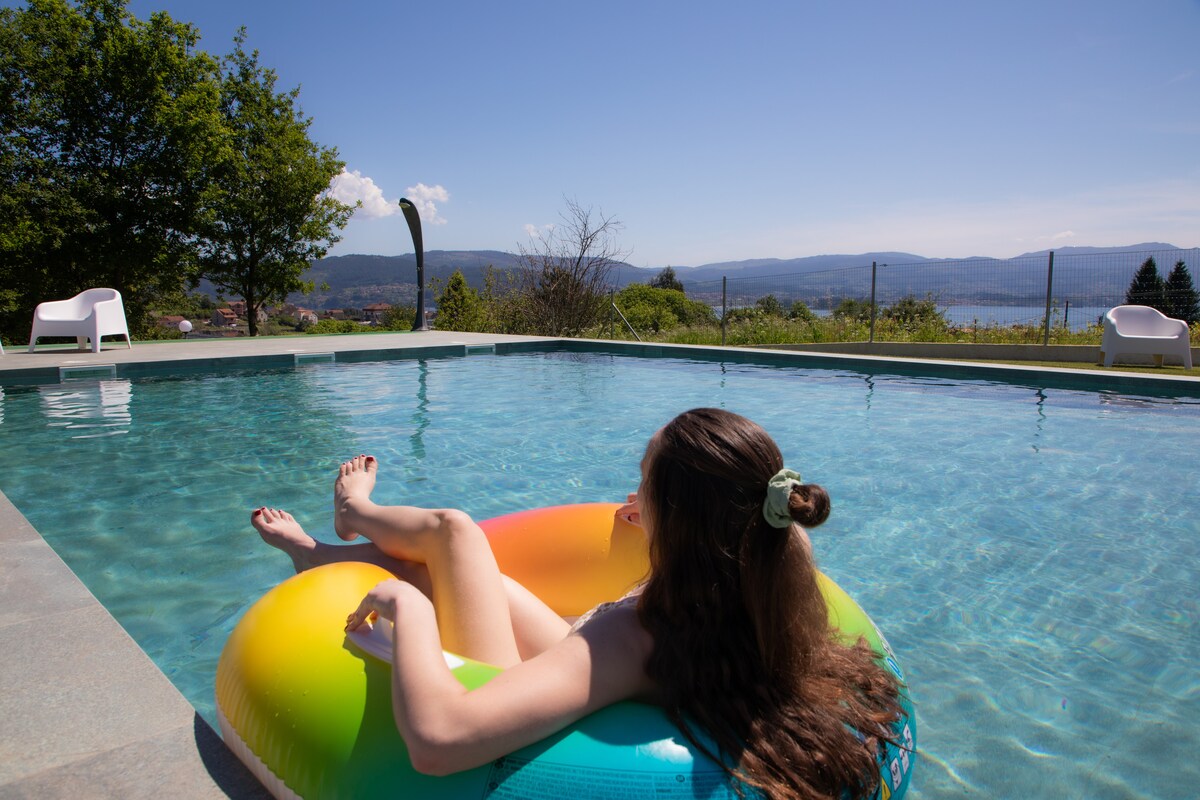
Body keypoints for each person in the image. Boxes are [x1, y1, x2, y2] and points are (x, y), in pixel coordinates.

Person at [253, 407, 904, 799]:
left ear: (681, 518)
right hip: (608, 657)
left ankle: (353, 512)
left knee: (454, 532)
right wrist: (662, 522)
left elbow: (438, 743)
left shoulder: (634, 633)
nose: (632, 493)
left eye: (644, 481)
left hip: (520, 683)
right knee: (470, 574)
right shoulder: (780, 553)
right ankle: (320, 553)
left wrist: (410, 614)